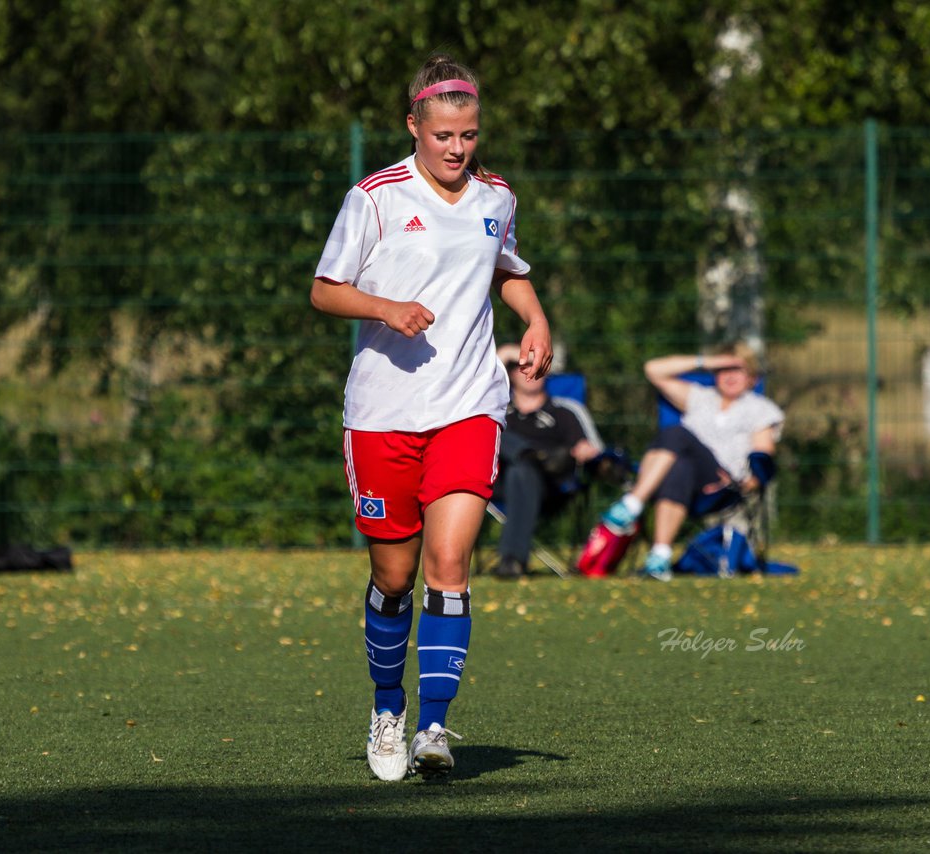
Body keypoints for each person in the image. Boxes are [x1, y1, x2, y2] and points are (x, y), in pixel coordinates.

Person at [311, 54, 553, 781]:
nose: (457, 149)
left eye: (469, 135)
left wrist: (535, 316)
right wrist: (385, 308)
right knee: (394, 575)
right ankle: (389, 709)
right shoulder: (375, 197)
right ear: (414, 126)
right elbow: (325, 290)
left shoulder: (496, 195)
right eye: (444, 134)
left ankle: (435, 726)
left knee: (450, 567)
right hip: (383, 412)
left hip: (467, 402)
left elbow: (504, 267)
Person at [599, 342, 783, 581]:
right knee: (680, 466)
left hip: (722, 481)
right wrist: (709, 361)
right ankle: (659, 558)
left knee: (676, 433)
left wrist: (749, 483)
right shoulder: (700, 397)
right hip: (682, 477)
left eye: (737, 370)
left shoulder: (760, 409)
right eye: (724, 369)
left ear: (752, 377)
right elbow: (653, 370)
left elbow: (762, 456)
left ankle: (632, 503)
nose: (729, 376)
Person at [491, 342, 604, 579]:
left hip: (550, 486)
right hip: (500, 485)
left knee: (521, 471)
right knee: (493, 431)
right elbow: (488, 367)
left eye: (539, 365)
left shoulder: (564, 411)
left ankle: (511, 560)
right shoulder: (499, 409)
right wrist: (518, 351)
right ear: (510, 373)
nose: (532, 371)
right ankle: (531, 454)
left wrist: (585, 450)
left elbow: (592, 448)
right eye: (524, 366)